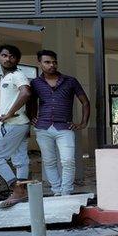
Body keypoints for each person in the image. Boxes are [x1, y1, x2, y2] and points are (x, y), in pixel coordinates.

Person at [30, 49, 90, 196]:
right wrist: (32, 116)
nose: (52, 65)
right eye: (47, 62)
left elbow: (85, 102)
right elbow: (30, 101)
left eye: (54, 62)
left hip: (64, 127)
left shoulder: (70, 81)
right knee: (49, 162)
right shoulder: (35, 83)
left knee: (68, 161)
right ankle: (56, 190)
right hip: (43, 128)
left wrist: (83, 123)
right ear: (40, 63)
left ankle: (66, 192)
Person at [0, 45, 32, 208]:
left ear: (17, 59)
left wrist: (10, 113)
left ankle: (17, 190)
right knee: (20, 159)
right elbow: (6, 94)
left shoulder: (18, 75)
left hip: (13, 124)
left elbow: (25, 93)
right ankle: (23, 191)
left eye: (12, 56)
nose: (7, 59)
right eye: (4, 56)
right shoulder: (7, 77)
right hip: (20, 124)